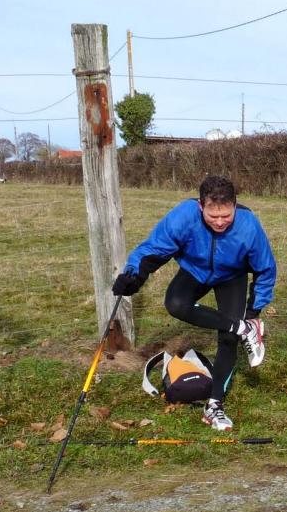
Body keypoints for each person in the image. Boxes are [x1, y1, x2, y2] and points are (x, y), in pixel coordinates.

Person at [112, 175, 276, 432]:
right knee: (175, 304)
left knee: (228, 338)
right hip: (195, 272)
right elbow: (153, 249)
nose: (220, 222)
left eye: (226, 216)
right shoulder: (184, 216)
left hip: (232, 275)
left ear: (234, 205)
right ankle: (244, 328)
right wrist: (133, 277)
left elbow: (265, 269)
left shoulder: (248, 224)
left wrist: (253, 310)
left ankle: (215, 406)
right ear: (201, 206)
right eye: (213, 216)